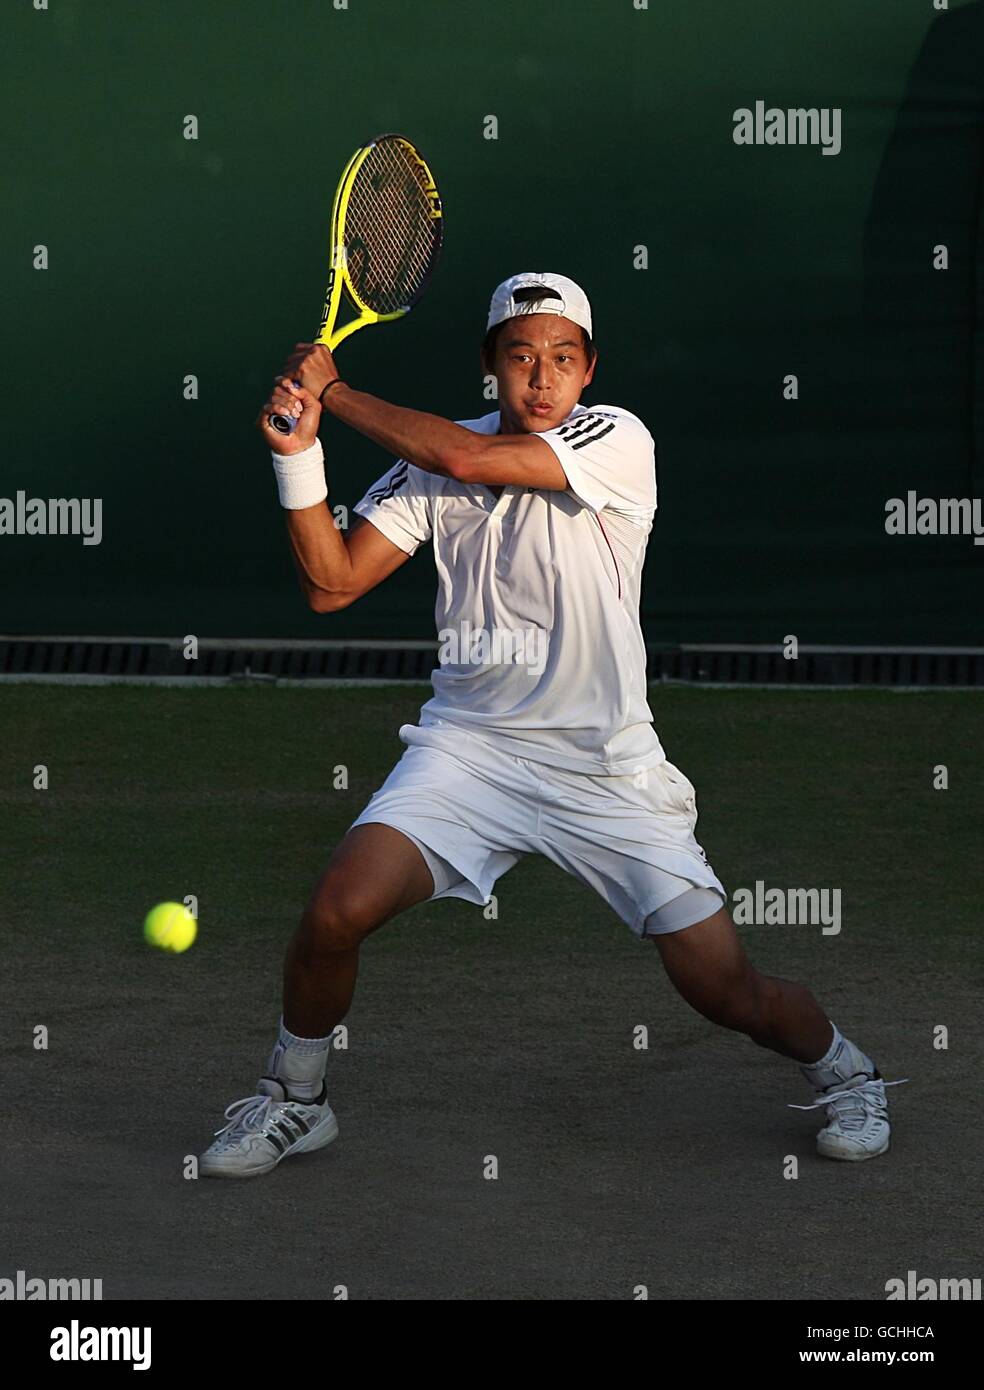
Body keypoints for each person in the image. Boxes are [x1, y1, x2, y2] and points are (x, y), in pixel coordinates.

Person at [199, 273, 900, 1178]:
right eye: (522, 358)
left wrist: (332, 390)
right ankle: (295, 1098)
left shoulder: (616, 440)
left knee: (725, 990)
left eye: (563, 360)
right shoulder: (431, 458)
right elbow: (332, 583)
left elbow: (468, 462)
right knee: (335, 913)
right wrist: (298, 457)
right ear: (491, 367)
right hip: (470, 751)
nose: (543, 379)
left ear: (589, 370)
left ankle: (848, 1073)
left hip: (604, 770)